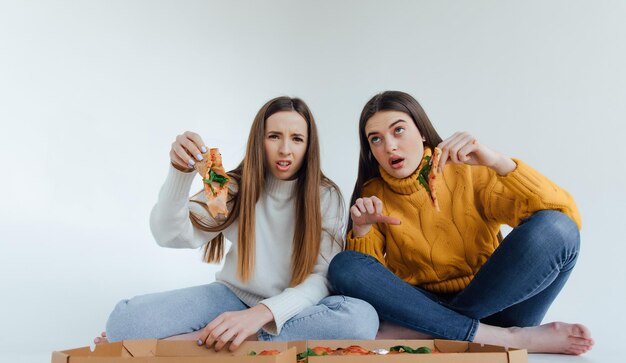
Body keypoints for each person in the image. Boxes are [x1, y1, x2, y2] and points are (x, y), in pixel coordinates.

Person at [96, 96, 378, 351]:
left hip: (296, 309)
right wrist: (179, 173)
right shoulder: (232, 187)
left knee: (360, 318)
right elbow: (169, 235)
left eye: (296, 139)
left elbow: (321, 278)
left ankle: (222, 342)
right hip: (231, 297)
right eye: (274, 136)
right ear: (259, 140)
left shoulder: (325, 195)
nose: (284, 149)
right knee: (125, 321)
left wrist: (259, 316)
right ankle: (223, 337)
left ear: (308, 146)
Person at [328, 90, 594, 355]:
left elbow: (567, 215)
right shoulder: (373, 194)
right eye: (376, 139)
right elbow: (366, 291)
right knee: (344, 266)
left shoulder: (468, 170)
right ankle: (506, 339)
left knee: (558, 227)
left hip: (496, 305)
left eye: (398, 131)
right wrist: (362, 230)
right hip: (424, 305)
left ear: (421, 131)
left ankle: (434, 332)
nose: (389, 147)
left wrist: (497, 162)